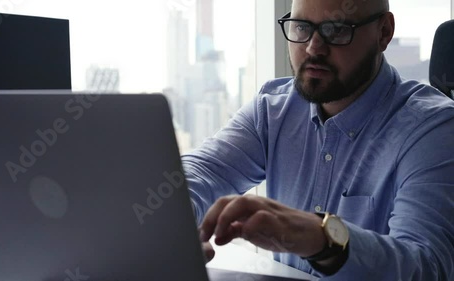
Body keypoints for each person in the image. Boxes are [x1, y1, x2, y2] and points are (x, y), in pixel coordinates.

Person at [181, 0, 454, 280]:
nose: (313, 48)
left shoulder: (433, 129)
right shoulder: (273, 110)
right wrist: (171, 223)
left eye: (335, 30)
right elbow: (200, 173)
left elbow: (428, 267)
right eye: (301, 27)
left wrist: (323, 238)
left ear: (383, 32)